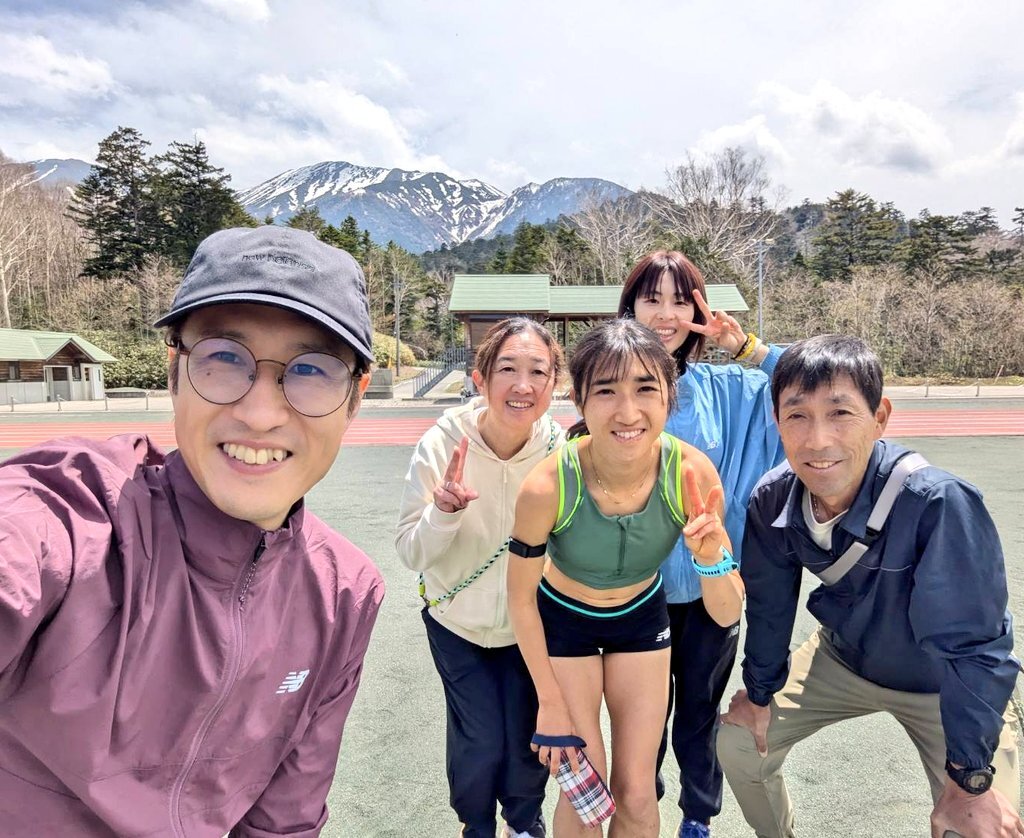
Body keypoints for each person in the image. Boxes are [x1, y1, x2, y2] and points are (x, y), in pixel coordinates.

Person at [0, 226, 385, 836]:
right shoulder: (77, 514)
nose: (260, 414)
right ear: (175, 371)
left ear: (355, 399)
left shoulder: (344, 594)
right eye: (224, 358)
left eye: (312, 370)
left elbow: (285, 821)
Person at [718, 334, 1022, 838]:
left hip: (942, 683)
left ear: (880, 417)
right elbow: (769, 608)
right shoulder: (773, 500)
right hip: (844, 660)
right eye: (798, 415)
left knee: (977, 827)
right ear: (777, 421)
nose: (818, 440)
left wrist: (971, 779)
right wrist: (759, 693)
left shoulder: (937, 503)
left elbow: (974, 648)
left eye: (840, 413)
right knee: (739, 741)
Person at [507, 319, 744, 837]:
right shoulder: (547, 486)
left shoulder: (692, 475)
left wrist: (711, 558)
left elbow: (727, 611)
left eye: (645, 389)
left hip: (640, 619)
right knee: (584, 789)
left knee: (636, 793)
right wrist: (549, 700)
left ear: (669, 396)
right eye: (606, 391)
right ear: (579, 399)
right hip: (565, 622)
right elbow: (521, 600)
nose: (628, 412)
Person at [618, 249, 786, 838]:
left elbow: (814, 382)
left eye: (679, 300)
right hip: (632, 592)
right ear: (630, 308)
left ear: (699, 309)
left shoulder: (730, 389)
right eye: (652, 299)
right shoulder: (616, 388)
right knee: (640, 718)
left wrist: (748, 348)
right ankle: (640, 809)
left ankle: (697, 815)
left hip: (712, 588)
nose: (665, 314)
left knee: (697, 711)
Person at [395, 318, 566, 838]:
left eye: (538, 371)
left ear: (554, 384)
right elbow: (410, 551)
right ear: (480, 379)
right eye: (508, 369)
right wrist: (443, 511)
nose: (523, 385)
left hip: (531, 626)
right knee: (481, 739)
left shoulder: (560, 451)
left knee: (527, 735)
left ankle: (523, 822)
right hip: (456, 621)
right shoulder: (442, 444)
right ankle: (476, 825)